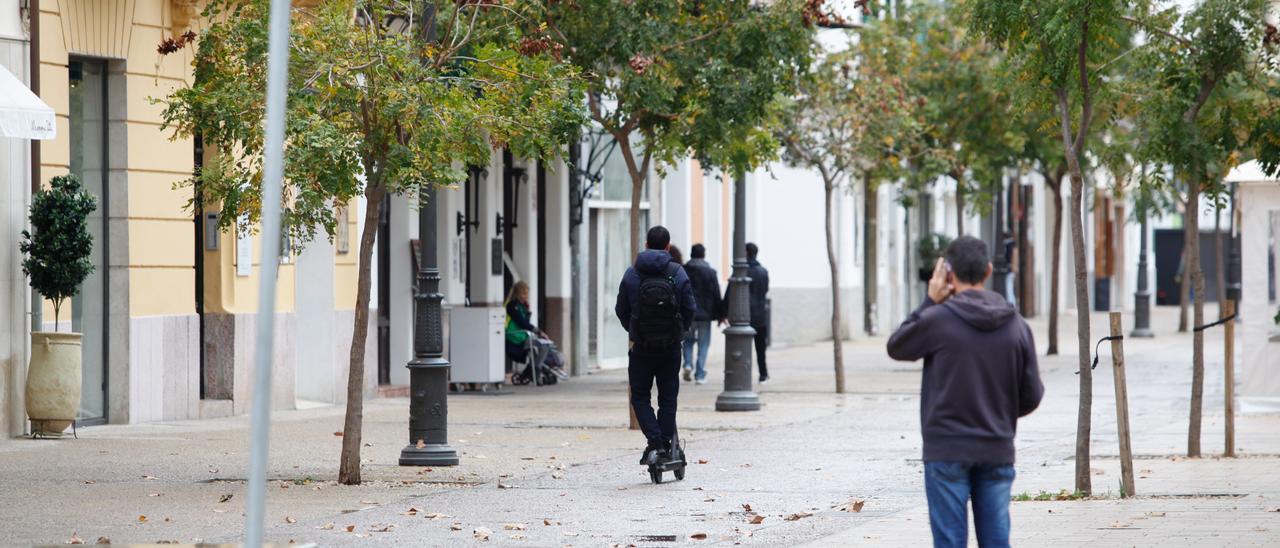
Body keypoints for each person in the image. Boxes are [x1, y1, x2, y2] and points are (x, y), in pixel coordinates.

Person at [886, 235, 1044, 548]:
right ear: (988, 271)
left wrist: (930, 300)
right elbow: (1032, 394)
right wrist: (997, 413)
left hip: (946, 449)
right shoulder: (1017, 325)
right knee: (997, 540)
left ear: (948, 273)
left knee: (949, 542)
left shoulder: (937, 320)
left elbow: (897, 346)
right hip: (996, 447)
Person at [616, 226, 697, 464]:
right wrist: (680, 330)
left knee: (640, 397)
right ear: (668, 246)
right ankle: (665, 443)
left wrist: (634, 330)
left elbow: (621, 309)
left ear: (646, 245)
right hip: (670, 347)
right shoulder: (678, 272)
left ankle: (655, 441)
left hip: (641, 347)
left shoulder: (632, 274)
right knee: (668, 397)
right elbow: (690, 308)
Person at [505, 281, 567, 382]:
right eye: (523, 294)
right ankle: (536, 369)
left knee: (541, 347)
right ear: (517, 294)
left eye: (526, 294)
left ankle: (529, 372)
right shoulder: (512, 306)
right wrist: (539, 332)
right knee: (543, 346)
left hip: (523, 335)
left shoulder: (522, 306)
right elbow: (522, 322)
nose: (526, 296)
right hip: (515, 338)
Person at [682, 244, 723, 384]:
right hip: (705, 314)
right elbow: (716, 294)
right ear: (704, 255)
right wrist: (721, 314)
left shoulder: (683, 270)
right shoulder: (711, 272)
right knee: (703, 344)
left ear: (691, 254)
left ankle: (688, 364)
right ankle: (700, 374)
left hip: (688, 313)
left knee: (687, 340)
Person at [746, 243, 770, 383]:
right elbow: (765, 290)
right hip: (760, 314)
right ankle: (763, 373)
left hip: (745, 315)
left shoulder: (742, 271)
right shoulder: (763, 271)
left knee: (743, 347)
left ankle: (745, 373)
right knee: (760, 348)